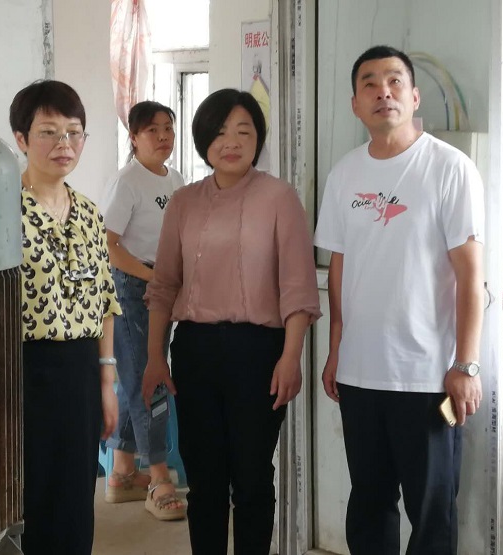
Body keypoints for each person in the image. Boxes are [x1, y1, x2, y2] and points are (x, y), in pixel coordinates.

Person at [314, 45, 485, 555]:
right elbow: (340, 266)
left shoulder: (450, 168)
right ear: (355, 103)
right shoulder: (345, 174)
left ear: (413, 97)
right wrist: (336, 349)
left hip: (428, 378)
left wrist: (466, 365)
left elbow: (470, 274)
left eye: (394, 81)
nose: (382, 92)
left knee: (432, 512)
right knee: (369, 504)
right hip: (360, 375)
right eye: (369, 83)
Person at [142, 88, 321, 555]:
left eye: (244, 131)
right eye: (220, 132)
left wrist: (291, 357)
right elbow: (163, 285)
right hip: (195, 350)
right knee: (204, 478)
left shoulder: (279, 198)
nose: (232, 142)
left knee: (252, 476)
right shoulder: (183, 202)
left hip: (258, 353)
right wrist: (154, 357)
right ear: (204, 140)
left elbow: (298, 287)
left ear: (258, 139)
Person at [9, 80, 121, 555]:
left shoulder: (90, 213)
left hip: (80, 369)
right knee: (30, 494)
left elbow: (106, 301)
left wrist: (106, 380)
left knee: (77, 494)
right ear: (21, 138)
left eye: (74, 132)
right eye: (49, 132)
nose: (64, 144)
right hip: (22, 369)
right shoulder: (1, 209)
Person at [98, 100, 186, 520]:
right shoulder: (127, 181)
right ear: (133, 137)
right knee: (148, 381)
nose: (163, 136)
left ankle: (121, 473)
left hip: (161, 285)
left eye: (168, 127)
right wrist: (153, 277)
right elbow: (108, 245)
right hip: (132, 288)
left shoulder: (176, 178)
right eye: (152, 130)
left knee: (139, 378)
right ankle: (158, 479)